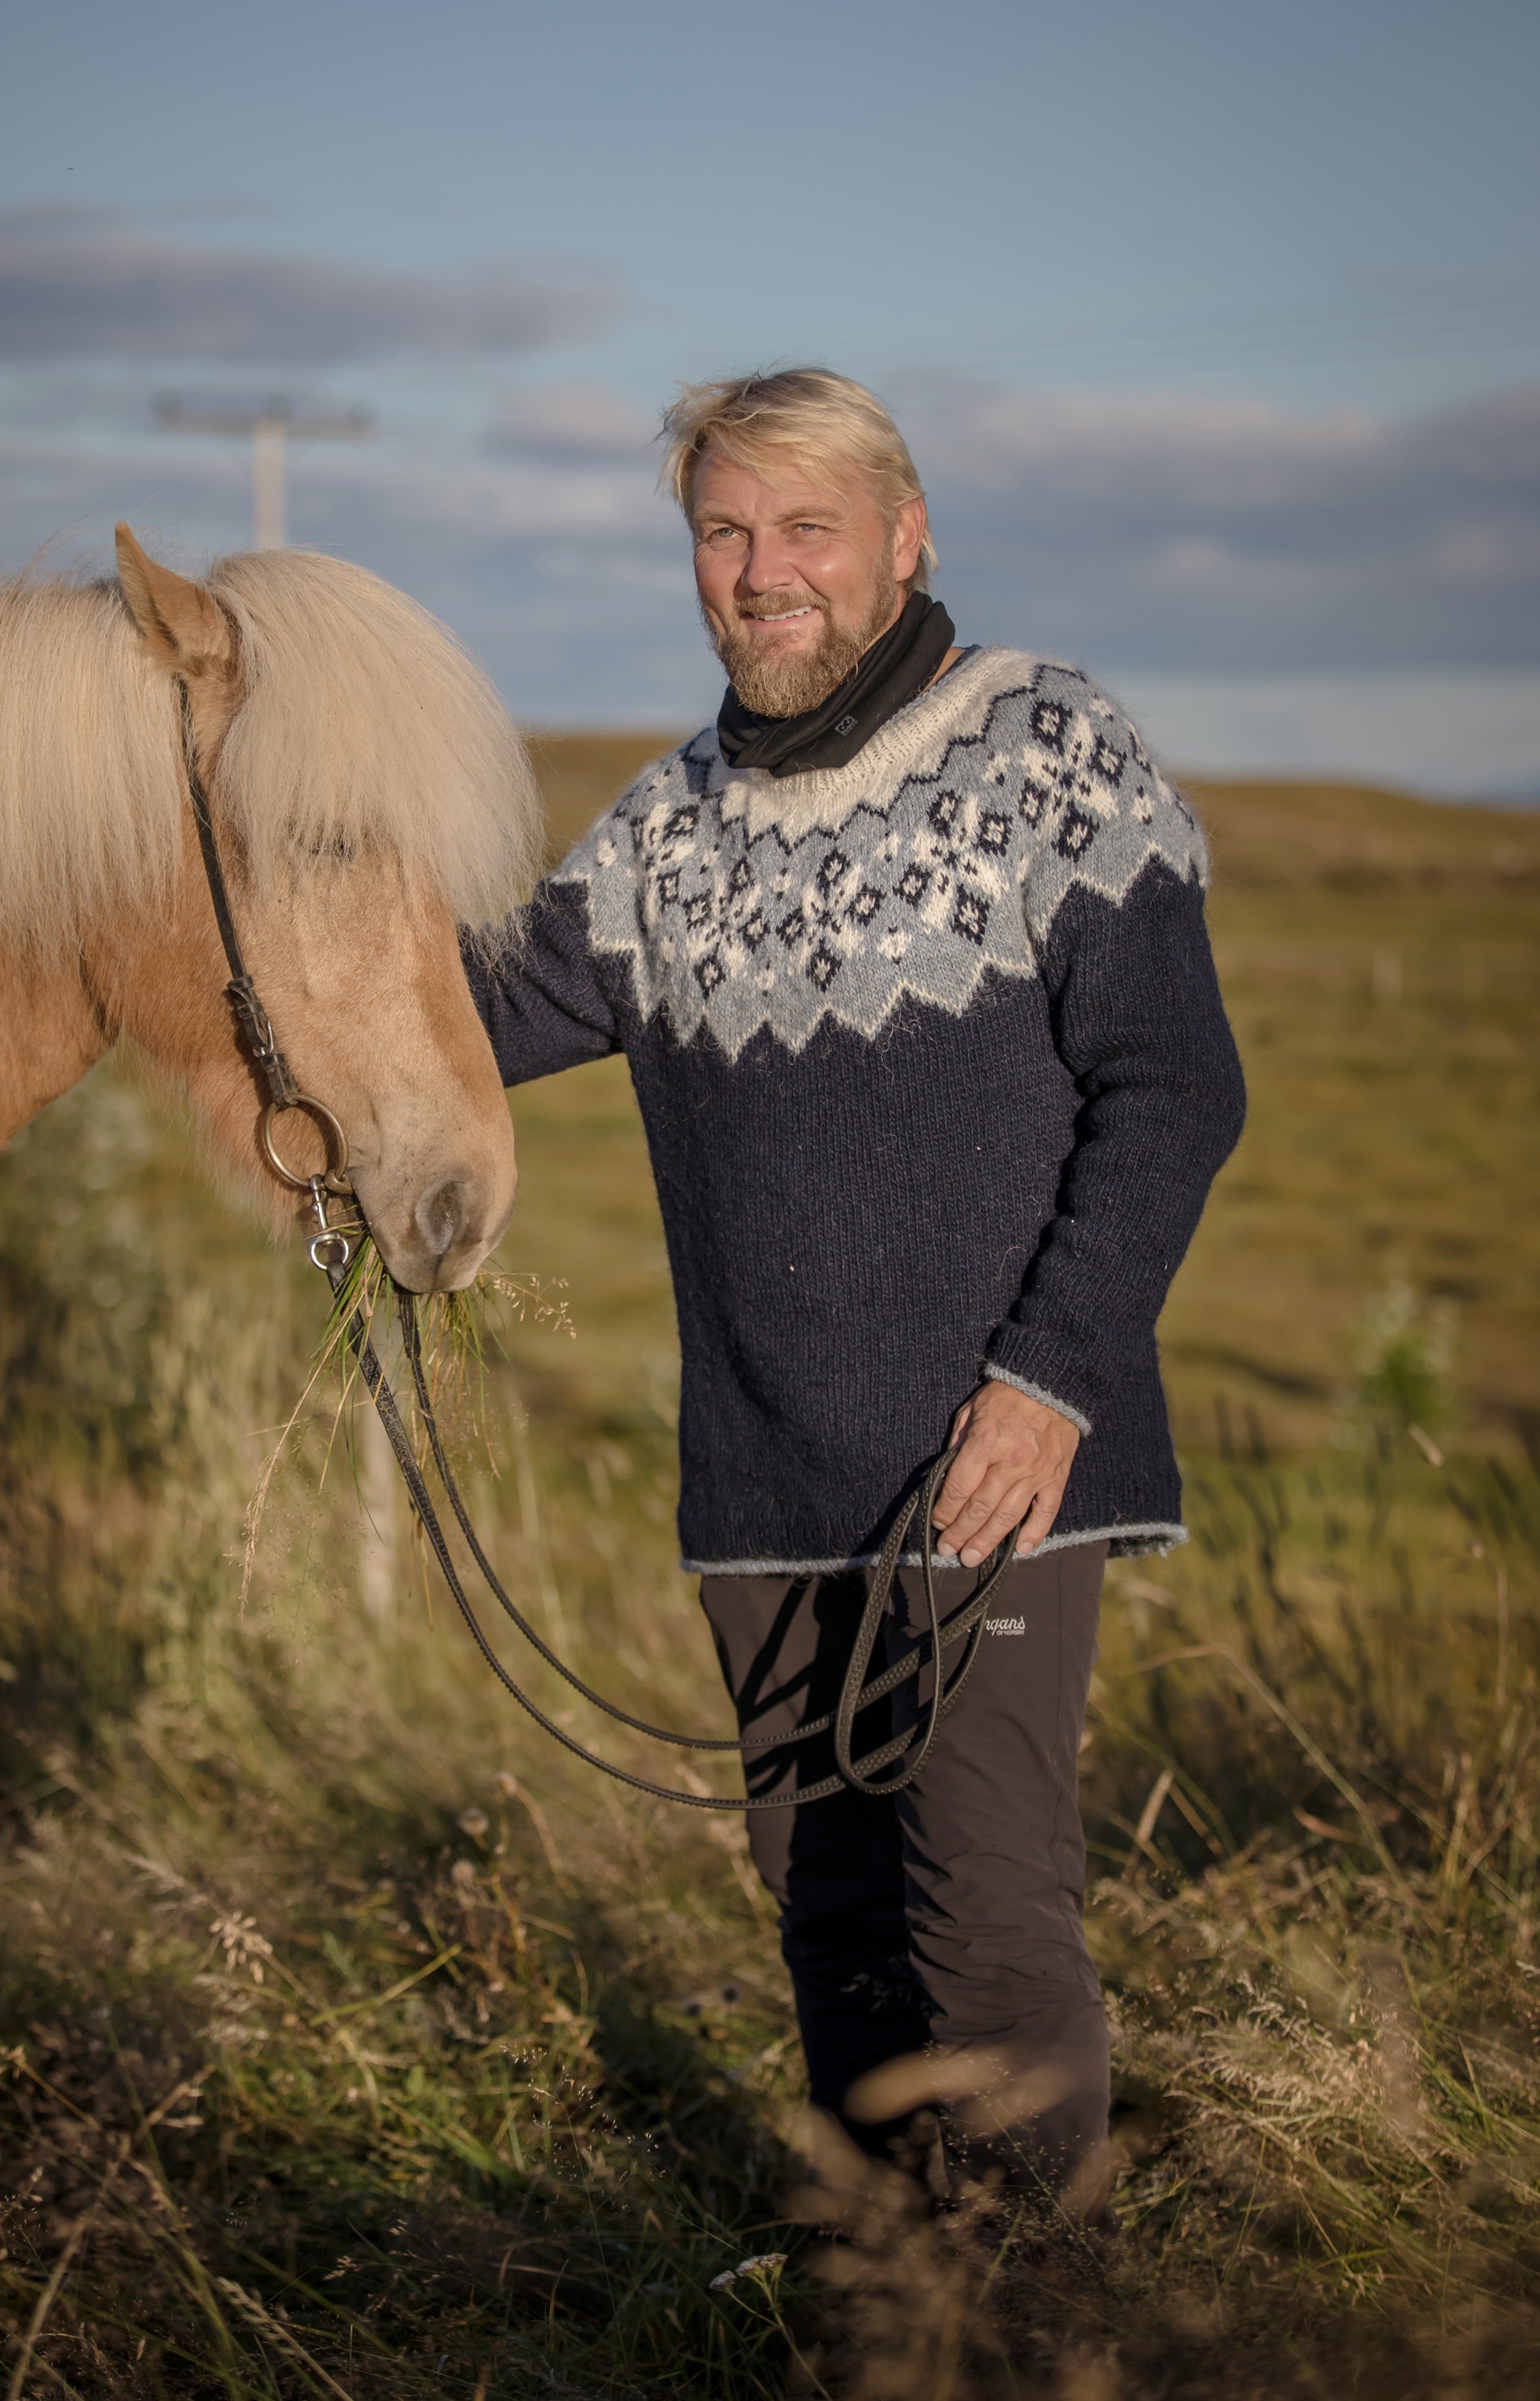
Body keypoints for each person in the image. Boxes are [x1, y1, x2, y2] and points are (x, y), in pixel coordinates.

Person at [463, 368, 1245, 2211]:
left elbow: (1176, 1086)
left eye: (806, 526)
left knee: (982, 1914)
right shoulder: (667, 827)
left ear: (906, 538)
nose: (763, 571)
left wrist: (1050, 1377)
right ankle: (900, 2293)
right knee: (830, 1920)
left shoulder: (1051, 746)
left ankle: (1028, 2316)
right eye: (725, 532)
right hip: (766, 1484)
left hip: (997, 1455)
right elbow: (473, 1014)